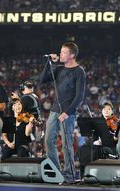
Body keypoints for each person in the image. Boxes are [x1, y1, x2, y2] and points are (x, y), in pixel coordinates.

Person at [40, 42, 86, 183]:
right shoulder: (59, 69)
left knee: (67, 144)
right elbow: (43, 80)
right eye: (60, 51)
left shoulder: (79, 72)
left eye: (63, 52)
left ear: (72, 55)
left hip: (68, 112)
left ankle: (69, 175)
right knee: (48, 140)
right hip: (54, 110)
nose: (60, 54)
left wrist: (67, 112)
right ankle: (55, 171)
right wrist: (49, 63)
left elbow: (80, 96)